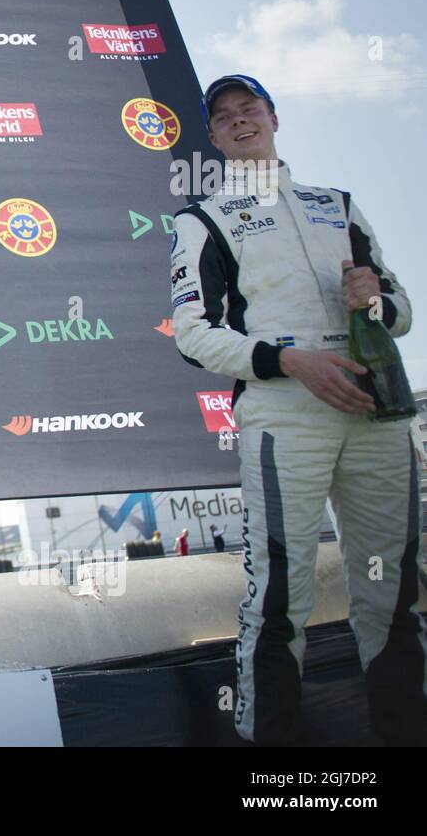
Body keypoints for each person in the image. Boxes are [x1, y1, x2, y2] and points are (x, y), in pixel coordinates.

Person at [171, 74, 426, 745]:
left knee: (393, 591)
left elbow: (398, 313)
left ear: (273, 117)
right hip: (286, 417)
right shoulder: (204, 220)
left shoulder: (336, 204)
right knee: (281, 596)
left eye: (249, 107)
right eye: (224, 116)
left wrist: (373, 301)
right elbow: (194, 335)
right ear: (214, 137)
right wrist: (291, 361)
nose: (239, 119)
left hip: (376, 413)